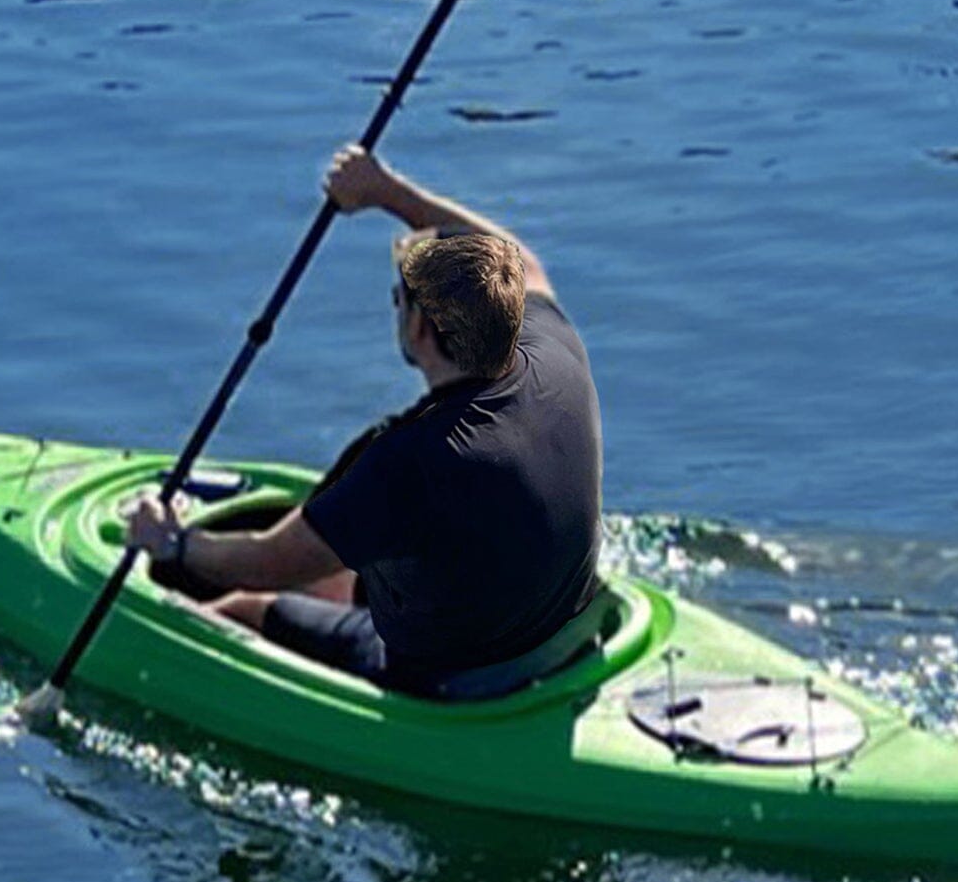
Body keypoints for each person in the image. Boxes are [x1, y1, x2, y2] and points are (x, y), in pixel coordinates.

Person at [123, 145, 602, 694]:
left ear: (419, 328)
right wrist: (386, 191)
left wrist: (174, 543)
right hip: (559, 632)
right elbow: (521, 261)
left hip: (458, 680)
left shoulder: (403, 459)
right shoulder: (553, 361)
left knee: (246, 606)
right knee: (352, 566)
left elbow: (267, 563)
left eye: (400, 300)